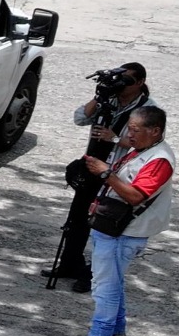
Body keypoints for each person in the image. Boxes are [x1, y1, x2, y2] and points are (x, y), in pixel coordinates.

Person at [69, 107, 172, 336]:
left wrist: (105, 173)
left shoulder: (159, 160)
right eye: (129, 129)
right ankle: (116, 335)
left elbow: (136, 196)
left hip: (124, 232)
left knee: (105, 287)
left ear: (155, 131)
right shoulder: (144, 149)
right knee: (113, 283)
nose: (129, 135)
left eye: (135, 130)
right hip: (116, 230)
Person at [49, 63, 156, 291]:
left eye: (127, 81)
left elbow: (148, 144)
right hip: (92, 167)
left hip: (119, 174)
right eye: (119, 79)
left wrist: (114, 138)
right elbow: (80, 118)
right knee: (77, 220)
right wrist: (99, 97)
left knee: (104, 226)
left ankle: (92, 275)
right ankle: (69, 264)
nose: (121, 85)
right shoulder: (109, 100)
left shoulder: (148, 110)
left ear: (140, 83)